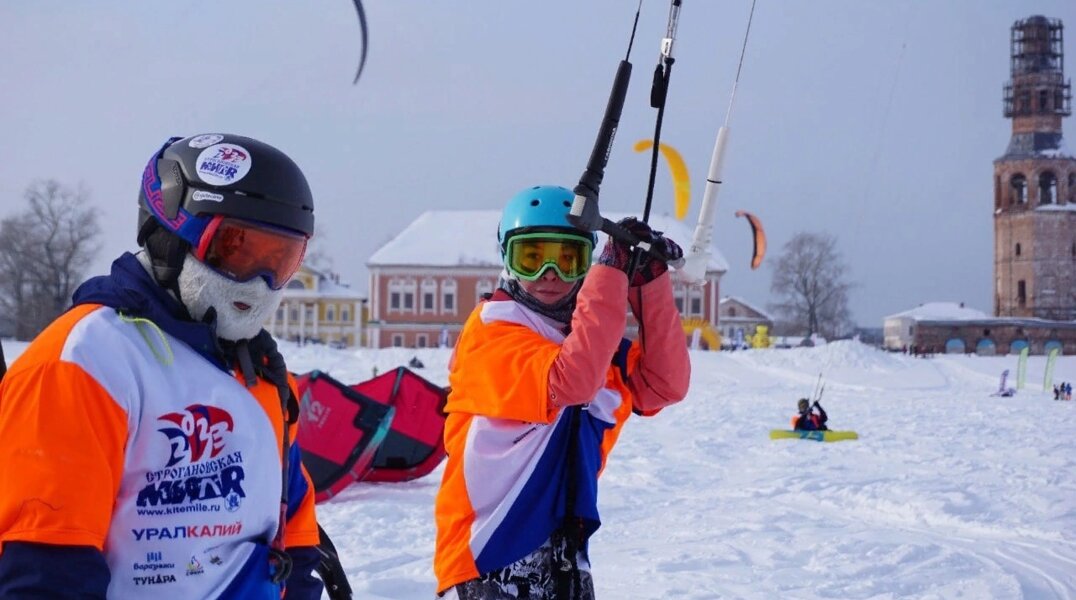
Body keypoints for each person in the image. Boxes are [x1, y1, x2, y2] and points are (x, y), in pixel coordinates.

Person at [0, 134, 324, 599]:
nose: (258, 283)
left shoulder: (259, 372)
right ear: (172, 238)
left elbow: (293, 538)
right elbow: (47, 566)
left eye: (279, 260)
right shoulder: (86, 361)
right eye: (237, 250)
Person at [434, 185, 691, 599]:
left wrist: (648, 281)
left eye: (567, 259)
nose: (549, 275)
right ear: (508, 260)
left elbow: (664, 385)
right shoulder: (492, 332)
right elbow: (572, 382)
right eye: (532, 259)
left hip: (564, 558)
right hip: (485, 561)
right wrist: (610, 272)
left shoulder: (591, 341)